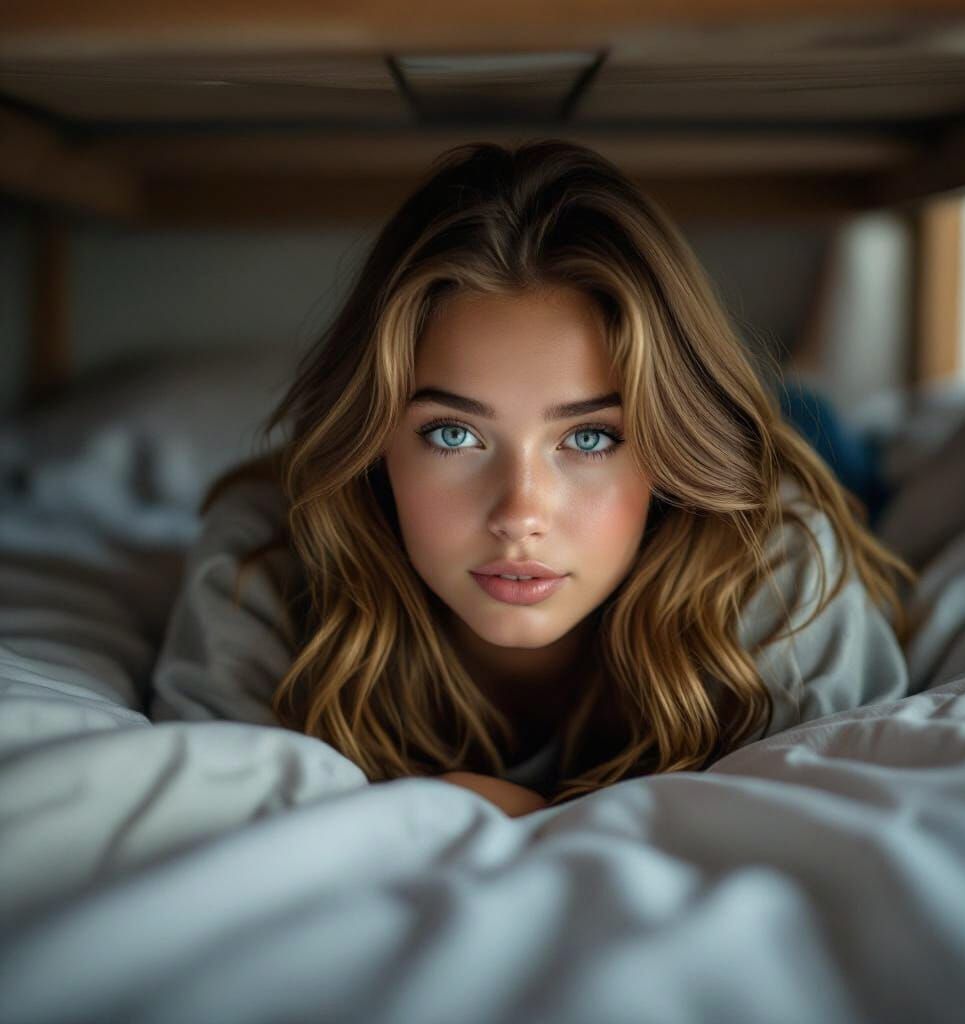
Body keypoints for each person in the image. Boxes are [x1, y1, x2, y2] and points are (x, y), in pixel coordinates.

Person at [150, 139, 916, 818]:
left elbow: (845, 827)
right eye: (453, 434)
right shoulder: (266, 556)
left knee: (816, 435)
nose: (520, 513)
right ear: (378, 437)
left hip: (794, 437)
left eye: (589, 436)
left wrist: (516, 812)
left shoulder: (774, 558)